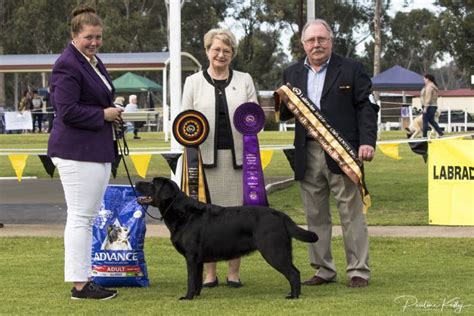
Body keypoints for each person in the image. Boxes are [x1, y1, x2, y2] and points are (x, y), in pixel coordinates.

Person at [278, 19, 378, 288]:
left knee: (351, 212)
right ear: (303, 44)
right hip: (306, 151)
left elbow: (367, 108)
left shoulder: (352, 69)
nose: (316, 44)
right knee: (315, 214)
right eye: (311, 40)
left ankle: (358, 270)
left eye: (321, 39)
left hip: (343, 152)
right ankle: (323, 269)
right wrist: (279, 104)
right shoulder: (292, 73)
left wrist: (367, 141)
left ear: (331, 41)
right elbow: (286, 113)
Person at [47, 4, 123, 300]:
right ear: (74, 36)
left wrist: (113, 111)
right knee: (80, 217)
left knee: (86, 217)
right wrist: (103, 115)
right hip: (76, 150)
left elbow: (96, 99)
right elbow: (66, 111)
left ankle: (84, 278)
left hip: (95, 148)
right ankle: (80, 284)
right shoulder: (67, 64)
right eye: (89, 37)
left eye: (99, 37)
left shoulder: (92, 61)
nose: (94, 42)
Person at [181, 28, 258, 288]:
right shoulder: (193, 82)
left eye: (226, 50)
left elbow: (254, 115)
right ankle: (209, 274)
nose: (221, 54)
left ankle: (234, 273)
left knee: (237, 218)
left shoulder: (245, 79)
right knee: (206, 220)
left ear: (232, 54)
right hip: (203, 161)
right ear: (207, 51)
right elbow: (184, 119)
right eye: (216, 49)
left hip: (239, 159)